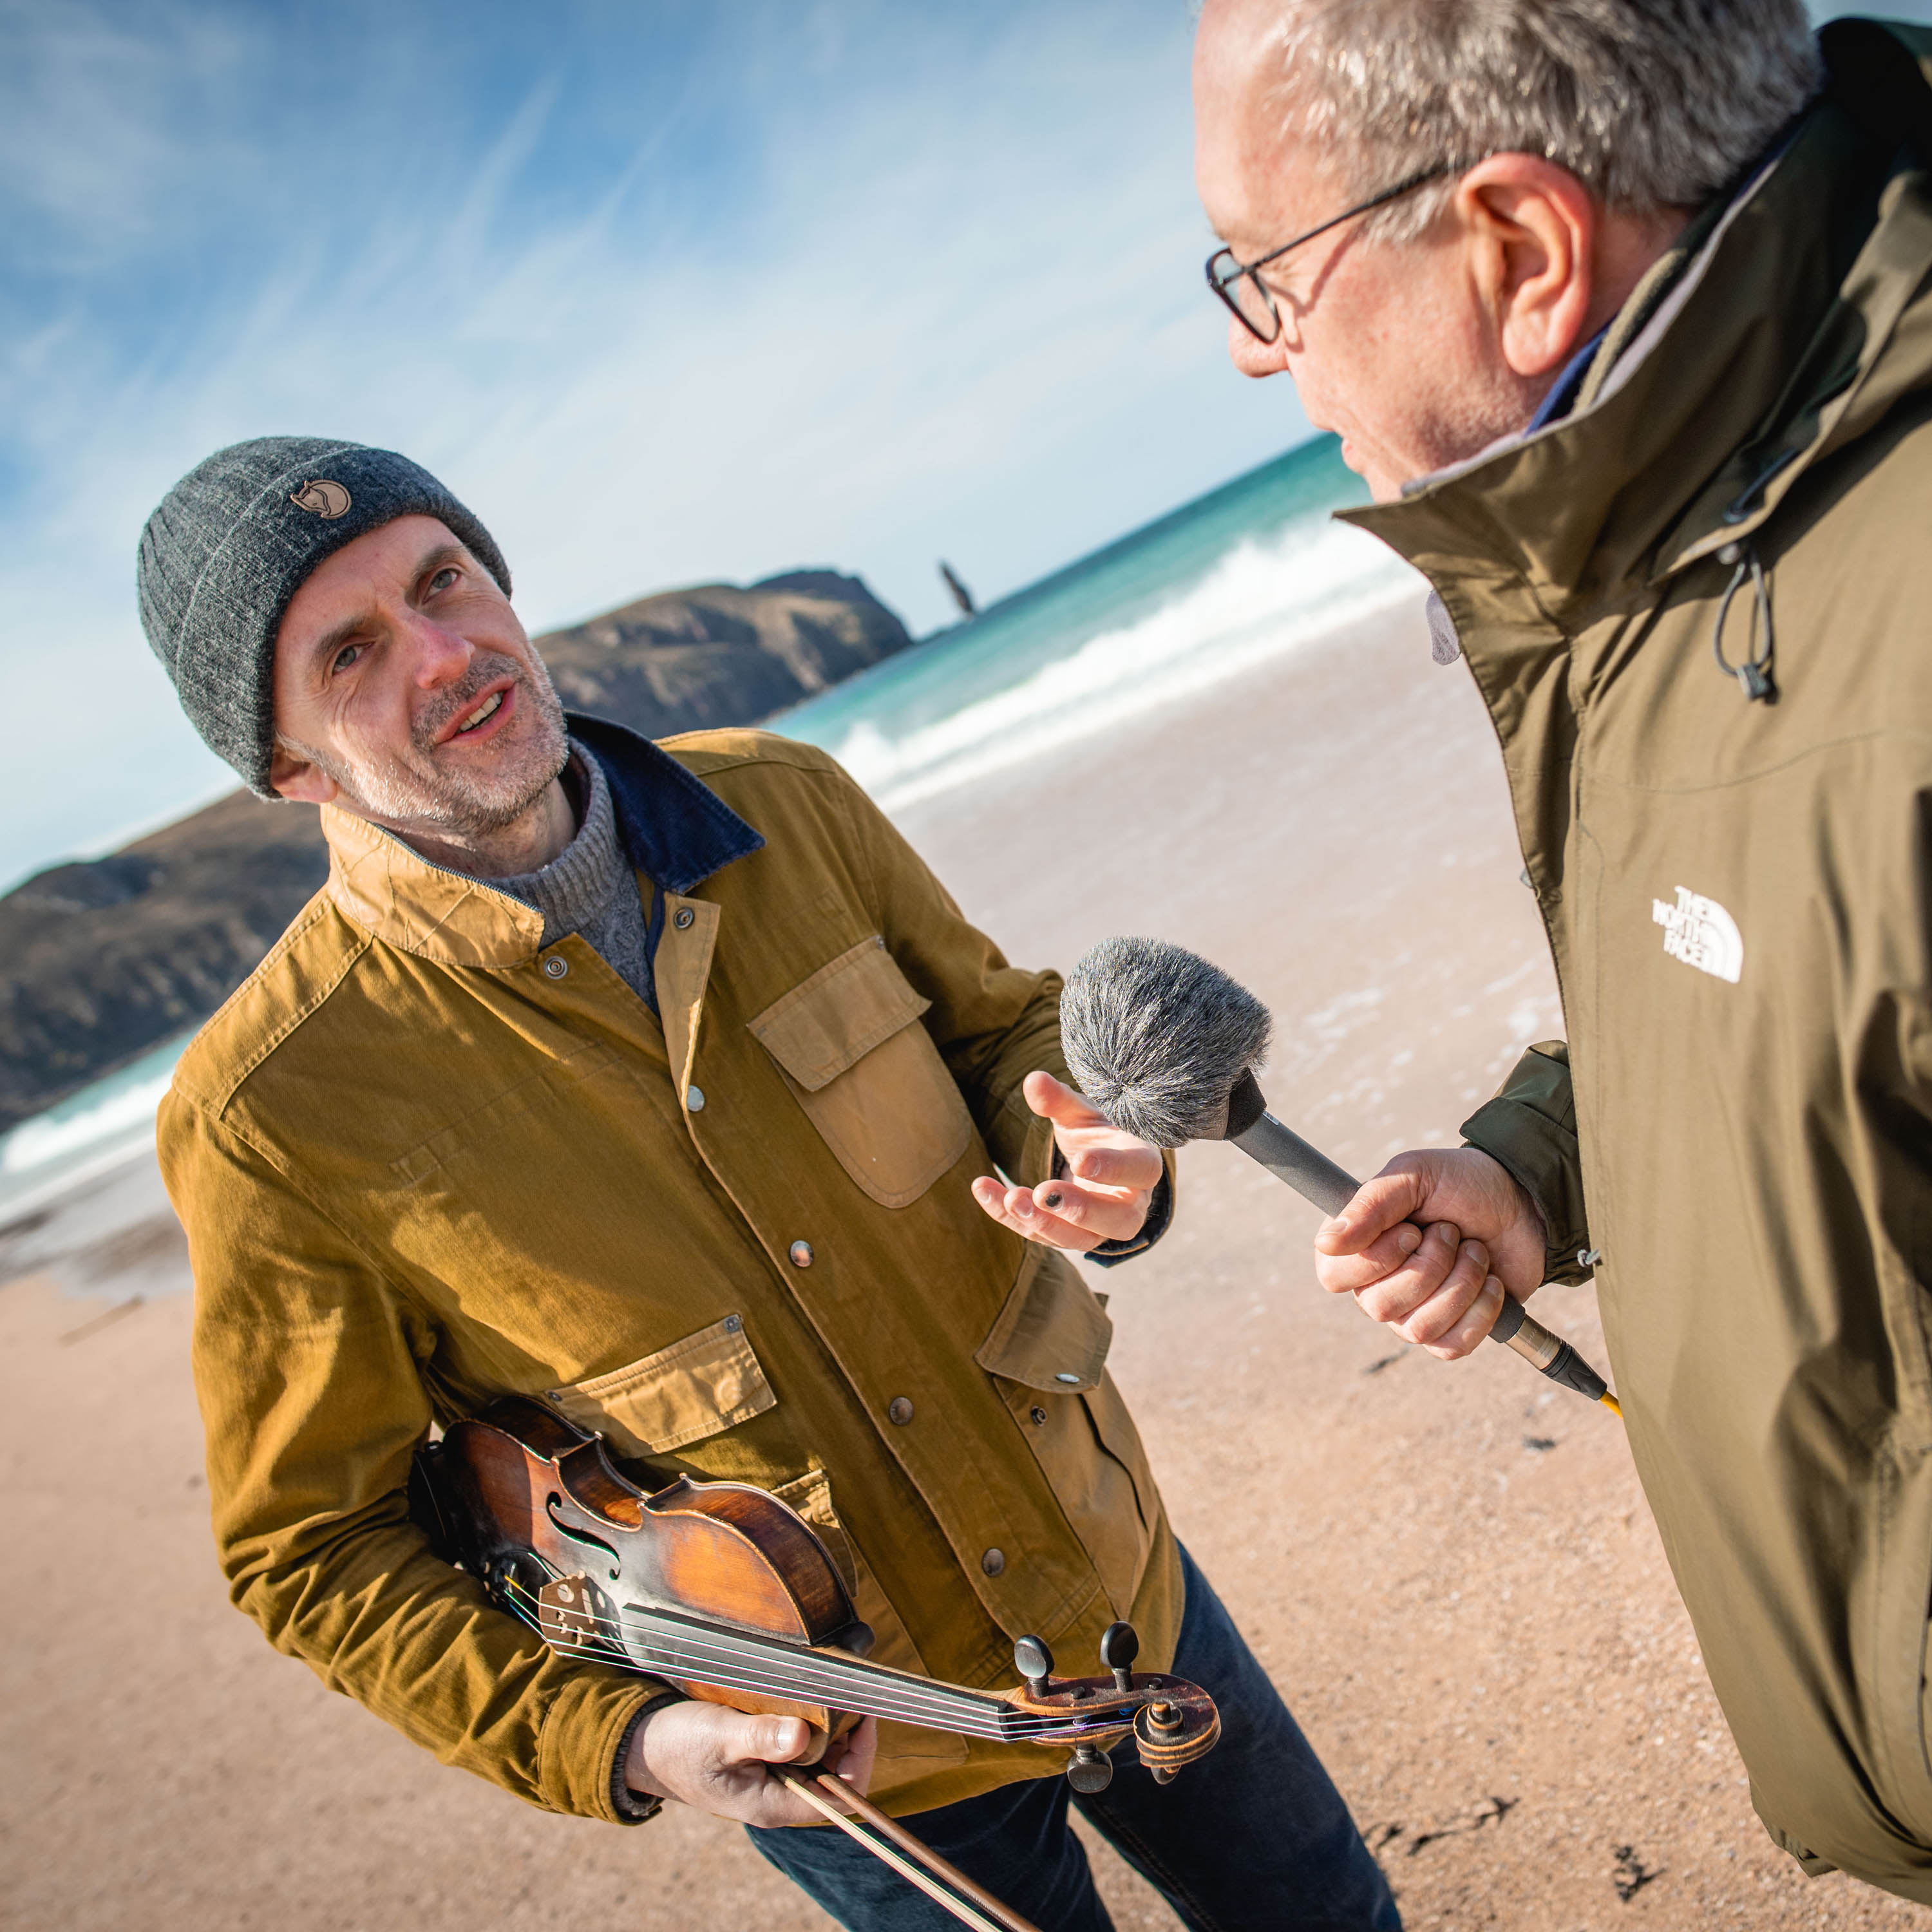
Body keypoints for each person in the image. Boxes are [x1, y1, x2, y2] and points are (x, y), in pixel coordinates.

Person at [140, 436, 1397, 1932]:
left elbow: (1001, 1033)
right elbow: (314, 1554)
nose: (445, 652)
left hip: (1122, 1579)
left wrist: (1090, 1150)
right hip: (854, 1767)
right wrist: (627, 1740)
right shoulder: (272, 1113)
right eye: (353, 652)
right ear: (288, 765)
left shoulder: (790, 804)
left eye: (443, 580)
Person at [1193, 0, 1932, 1905]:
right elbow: (1820, 961)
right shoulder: (1675, 533)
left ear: (1518, 254)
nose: (1252, 357)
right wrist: (1541, 1164)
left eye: (1265, 276)